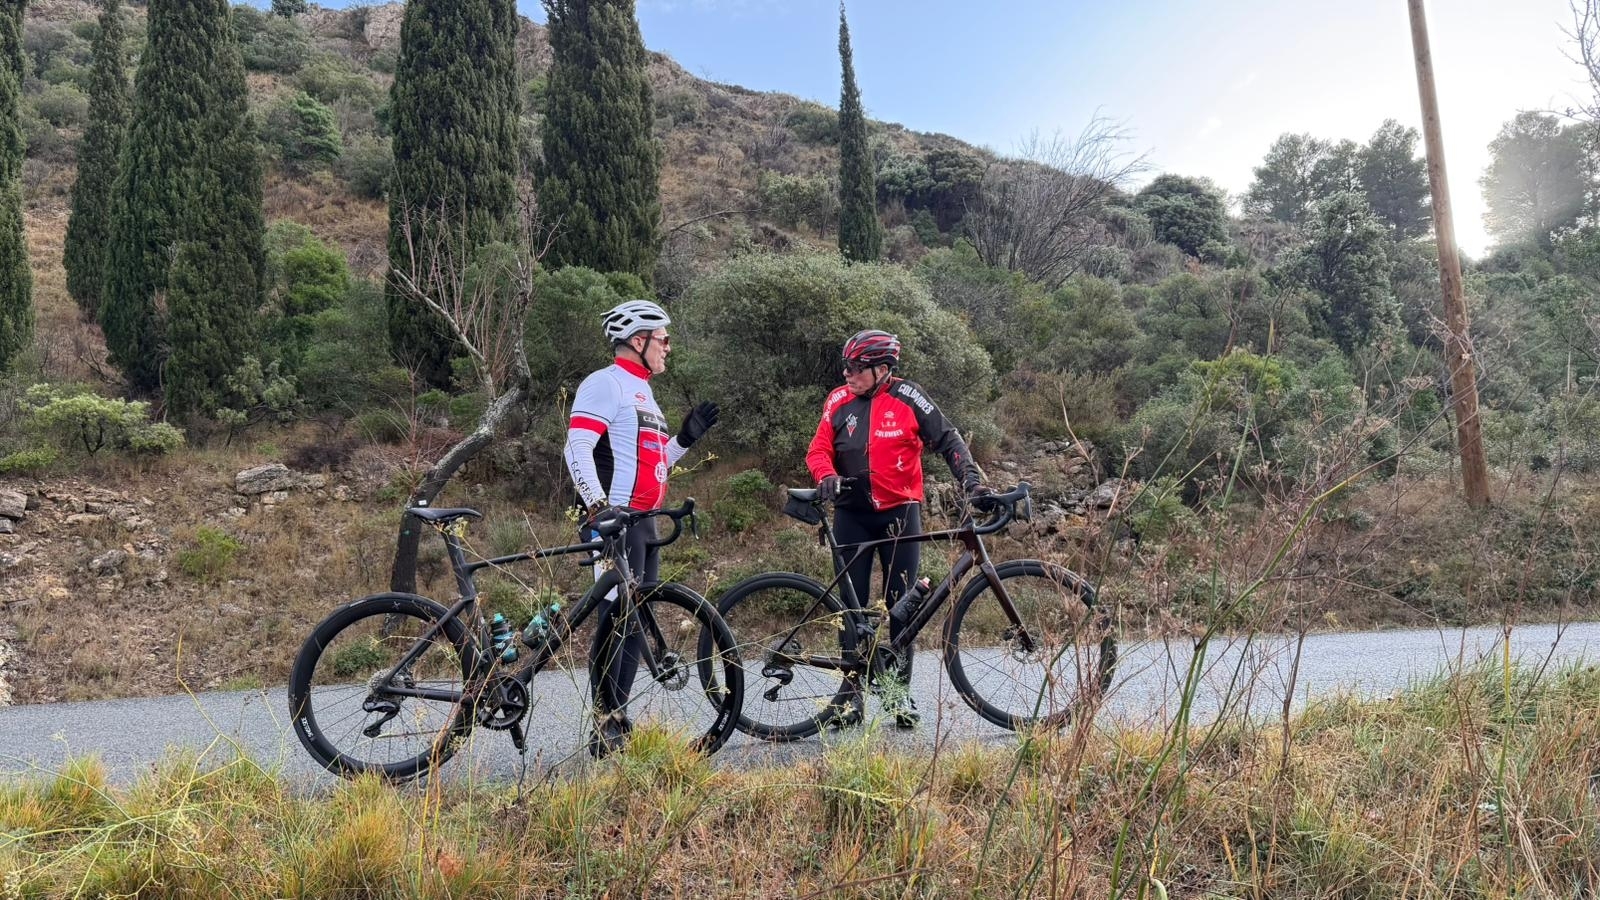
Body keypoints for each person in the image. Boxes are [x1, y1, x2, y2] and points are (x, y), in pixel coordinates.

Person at [805, 329, 989, 728]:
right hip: (851, 515)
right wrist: (825, 475)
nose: (847, 373)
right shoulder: (838, 400)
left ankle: (896, 694)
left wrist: (971, 481)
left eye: (856, 367)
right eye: (846, 366)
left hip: (900, 515)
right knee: (852, 611)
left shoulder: (909, 396)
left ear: (883, 368)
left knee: (903, 606)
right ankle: (850, 699)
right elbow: (818, 449)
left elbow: (948, 439)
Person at [564, 299, 719, 756]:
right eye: (663, 339)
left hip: (643, 522)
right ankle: (604, 724)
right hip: (614, 521)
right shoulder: (605, 383)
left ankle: (616, 719)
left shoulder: (644, 392)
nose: (668, 347)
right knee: (614, 621)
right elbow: (577, 449)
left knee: (634, 623)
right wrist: (598, 509)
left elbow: (654, 463)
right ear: (638, 340)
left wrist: (684, 440)